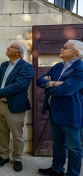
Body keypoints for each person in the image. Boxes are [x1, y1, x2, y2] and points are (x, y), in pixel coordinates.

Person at [37, 40, 83, 176]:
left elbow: (64, 90)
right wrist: (54, 83)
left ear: (76, 52)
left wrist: (48, 86)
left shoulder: (80, 69)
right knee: (57, 142)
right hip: (55, 111)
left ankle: (72, 174)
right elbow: (40, 81)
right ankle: (57, 169)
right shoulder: (57, 66)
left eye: (65, 48)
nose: (61, 49)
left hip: (71, 113)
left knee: (74, 148)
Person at [0, 42, 34, 172]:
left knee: (17, 135)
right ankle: (4, 156)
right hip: (0, 104)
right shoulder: (4, 65)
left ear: (18, 53)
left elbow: (19, 85)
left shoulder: (26, 67)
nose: (7, 48)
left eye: (10, 47)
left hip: (15, 106)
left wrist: (0, 93)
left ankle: (17, 159)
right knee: (2, 133)